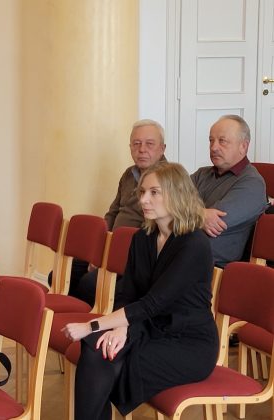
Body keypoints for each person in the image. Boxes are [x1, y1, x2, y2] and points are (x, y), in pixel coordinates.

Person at [62, 161, 218, 420]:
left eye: (154, 192)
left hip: (188, 342)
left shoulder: (194, 244)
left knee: (109, 358)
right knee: (97, 348)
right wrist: (120, 328)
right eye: (142, 192)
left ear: (177, 194)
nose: (144, 200)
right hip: (148, 326)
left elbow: (153, 303)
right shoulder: (142, 238)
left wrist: (91, 326)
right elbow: (129, 294)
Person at [70, 119, 167, 305]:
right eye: (136, 144)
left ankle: (99, 317)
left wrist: (108, 256)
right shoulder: (129, 174)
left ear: (162, 148)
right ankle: (78, 314)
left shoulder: (167, 180)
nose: (142, 149)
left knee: (88, 285)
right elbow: (112, 213)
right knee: (62, 274)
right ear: (130, 147)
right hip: (111, 247)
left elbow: (154, 230)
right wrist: (99, 249)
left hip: (134, 256)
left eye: (149, 144)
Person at [192, 114, 267, 267]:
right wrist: (199, 214)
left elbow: (216, 222)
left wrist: (182, 211)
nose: (214, 147)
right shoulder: (201, 174)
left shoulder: (252, 183)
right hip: (177, 253)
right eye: (211, 140)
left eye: (222, 141)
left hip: (209, 267)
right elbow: (165, 201)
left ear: (243, 146)